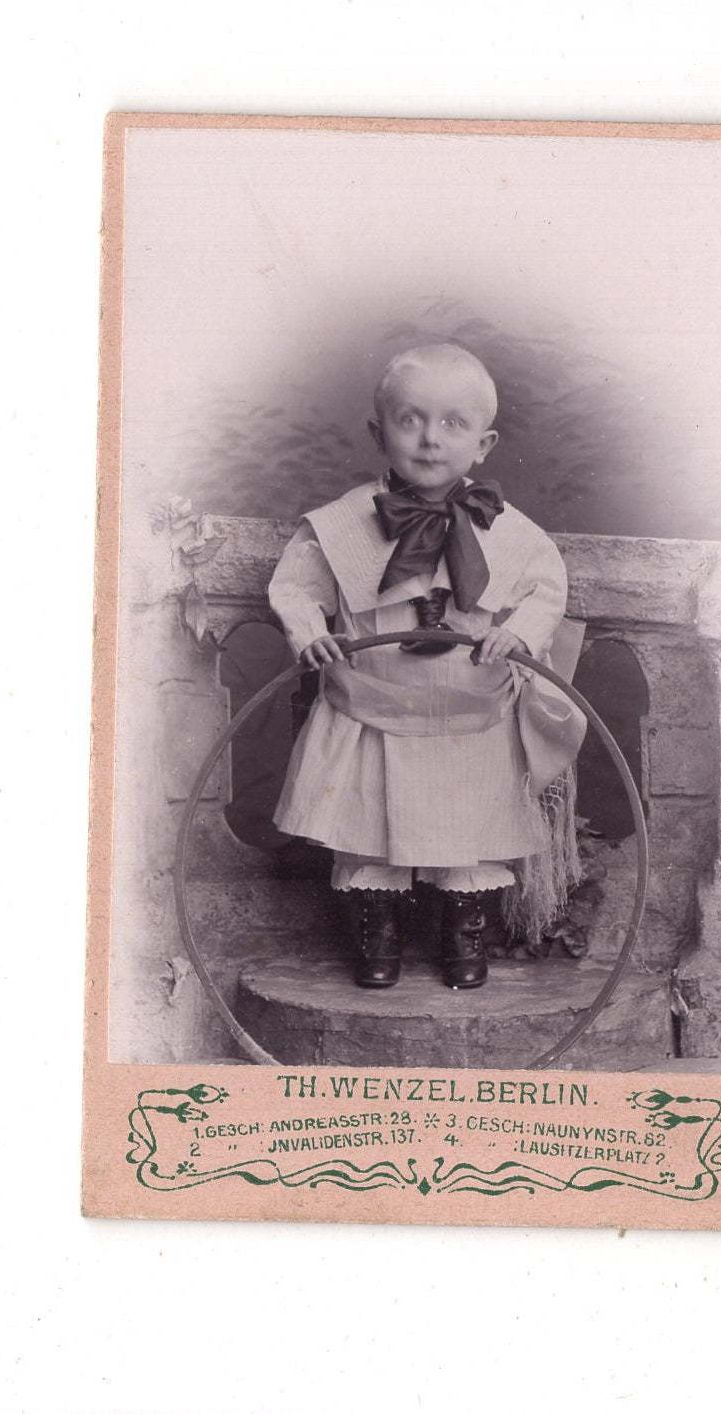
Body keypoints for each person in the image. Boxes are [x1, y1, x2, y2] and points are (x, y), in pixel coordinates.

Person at [268, 342, 579, 991]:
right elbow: (296, 587)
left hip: (469, 714)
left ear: (484, 444)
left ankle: (464, 931)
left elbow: (547, 590)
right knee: (368, 829)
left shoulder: (513, 532)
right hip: (372, 709)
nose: (430, 439)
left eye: (453, 423)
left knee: (469, 834)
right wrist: (310, 635)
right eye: (410, 420)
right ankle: (376, 928)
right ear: (378, 432)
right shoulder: (342, 525)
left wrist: (518, 633)